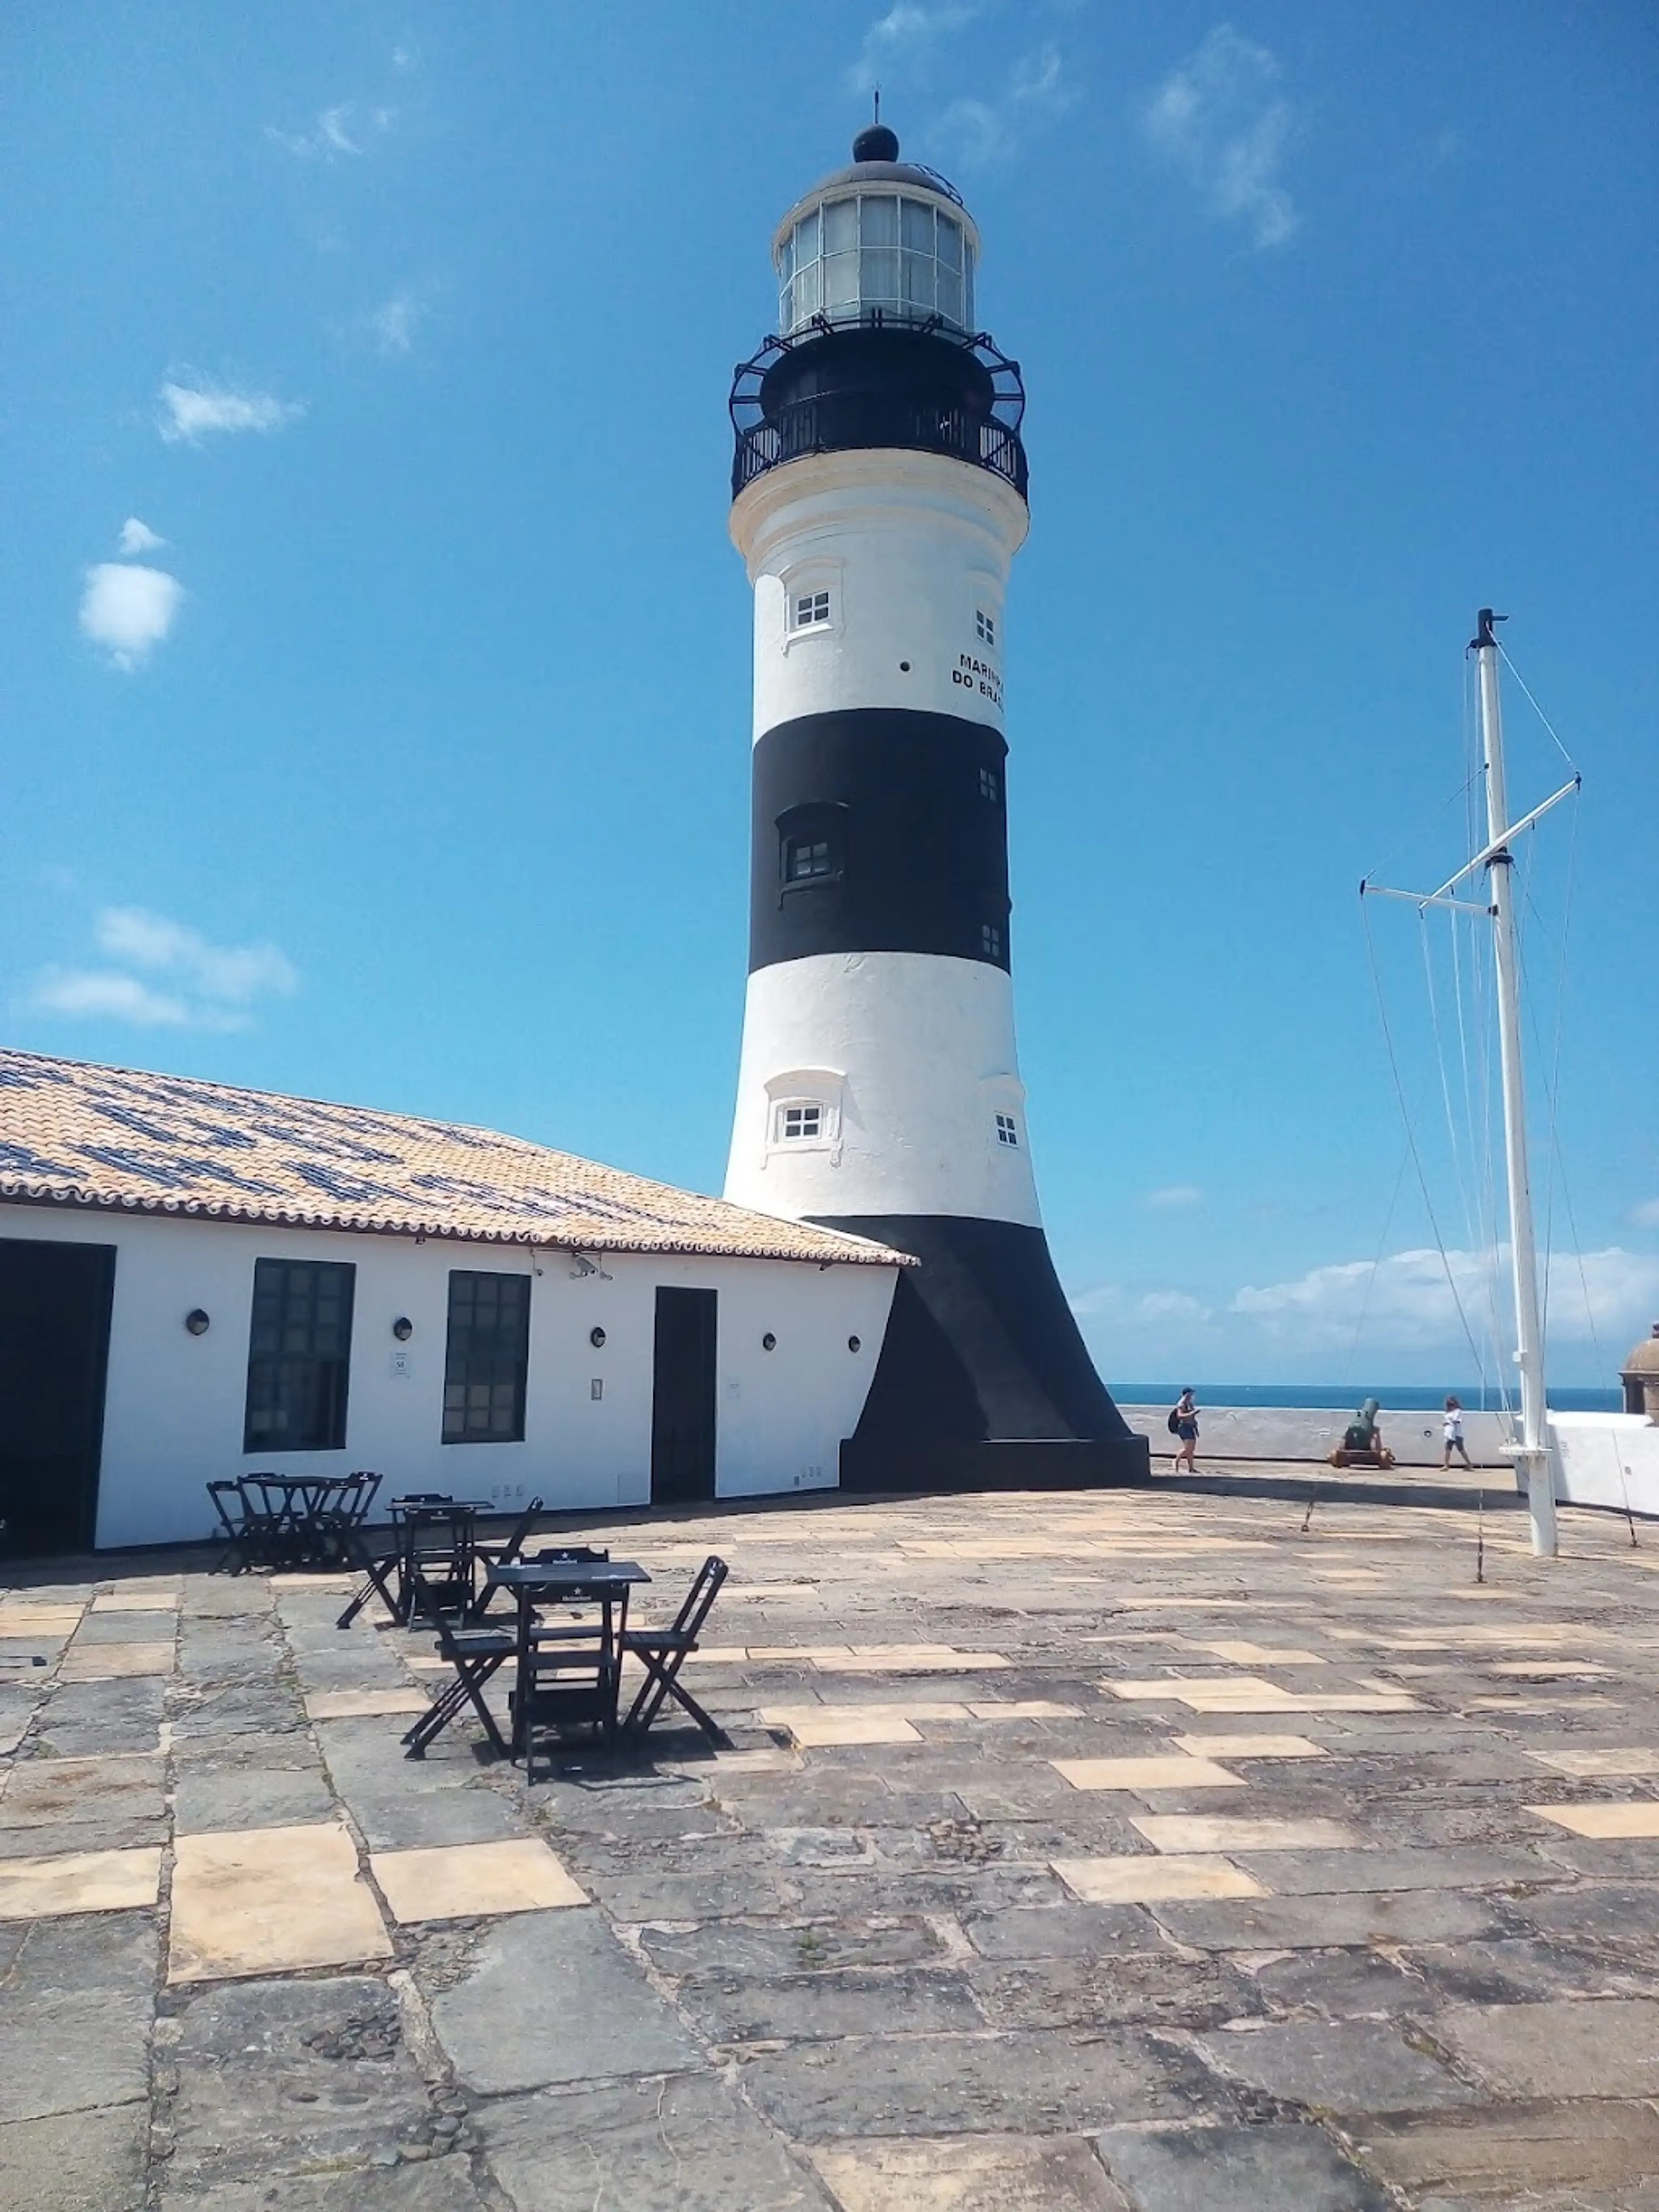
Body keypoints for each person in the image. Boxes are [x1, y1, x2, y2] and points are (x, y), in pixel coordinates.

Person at [1170, 1387, 1199, 1472]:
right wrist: (1193, 1413)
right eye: (1190, 1394)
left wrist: (1195, 1426)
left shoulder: (1190, 1404)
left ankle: (1191, 1468)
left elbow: (1192, 1418)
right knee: (1187, 1449)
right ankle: (1176, 1460)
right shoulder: (1182, 1404)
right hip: (1184, 1427)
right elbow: (1180, 1416)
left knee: (1191, 1449)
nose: (1192, 1396)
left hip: (1190, 1427)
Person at [1443, 1394, 1472, 1469]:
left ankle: (1469, 1463)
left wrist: (1449, 1422)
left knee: (1461, 1449)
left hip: (1457, 1434)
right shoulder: (1448, 1413)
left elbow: (1456, 1421)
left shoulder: (1458, 1411)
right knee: (1448, 1449)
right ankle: (1446, 1465)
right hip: (1450, 1433)